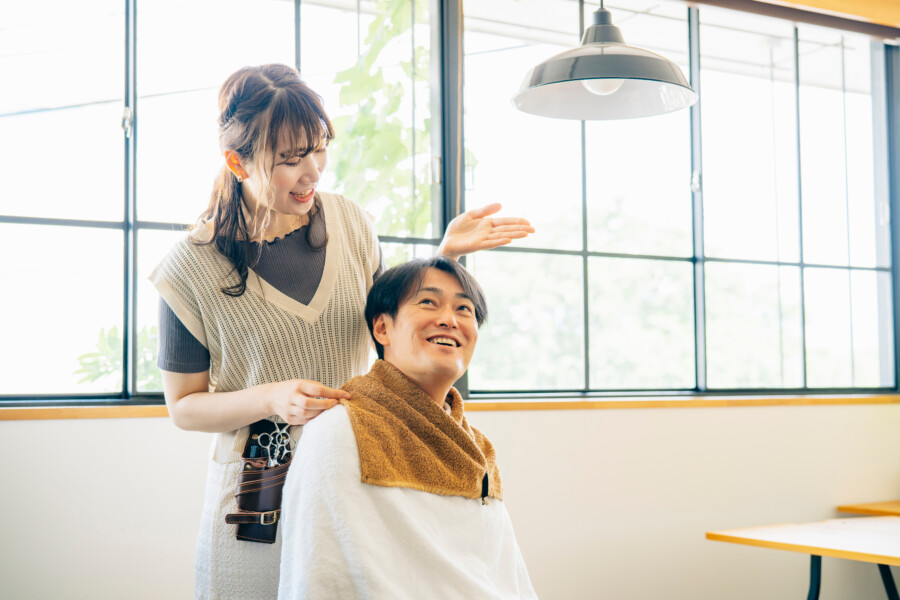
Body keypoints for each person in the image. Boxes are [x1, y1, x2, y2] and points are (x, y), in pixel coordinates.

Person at [149, 63, 534, 599]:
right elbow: (184, 407)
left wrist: (443, 258)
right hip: (258, 503)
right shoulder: (188, 268)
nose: (312, 172)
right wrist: (273, 398)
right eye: (290, 159)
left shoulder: (351, 224)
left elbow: (392, 329)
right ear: (237, 161)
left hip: (355, 479)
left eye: (318, 149)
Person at [278, 257, 538, 599]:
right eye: (428, 302)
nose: (449, 319)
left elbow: (505, 574)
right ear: (382, 328)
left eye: (464, 309)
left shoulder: (478, 447)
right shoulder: (341, 429)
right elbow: (321, 573)